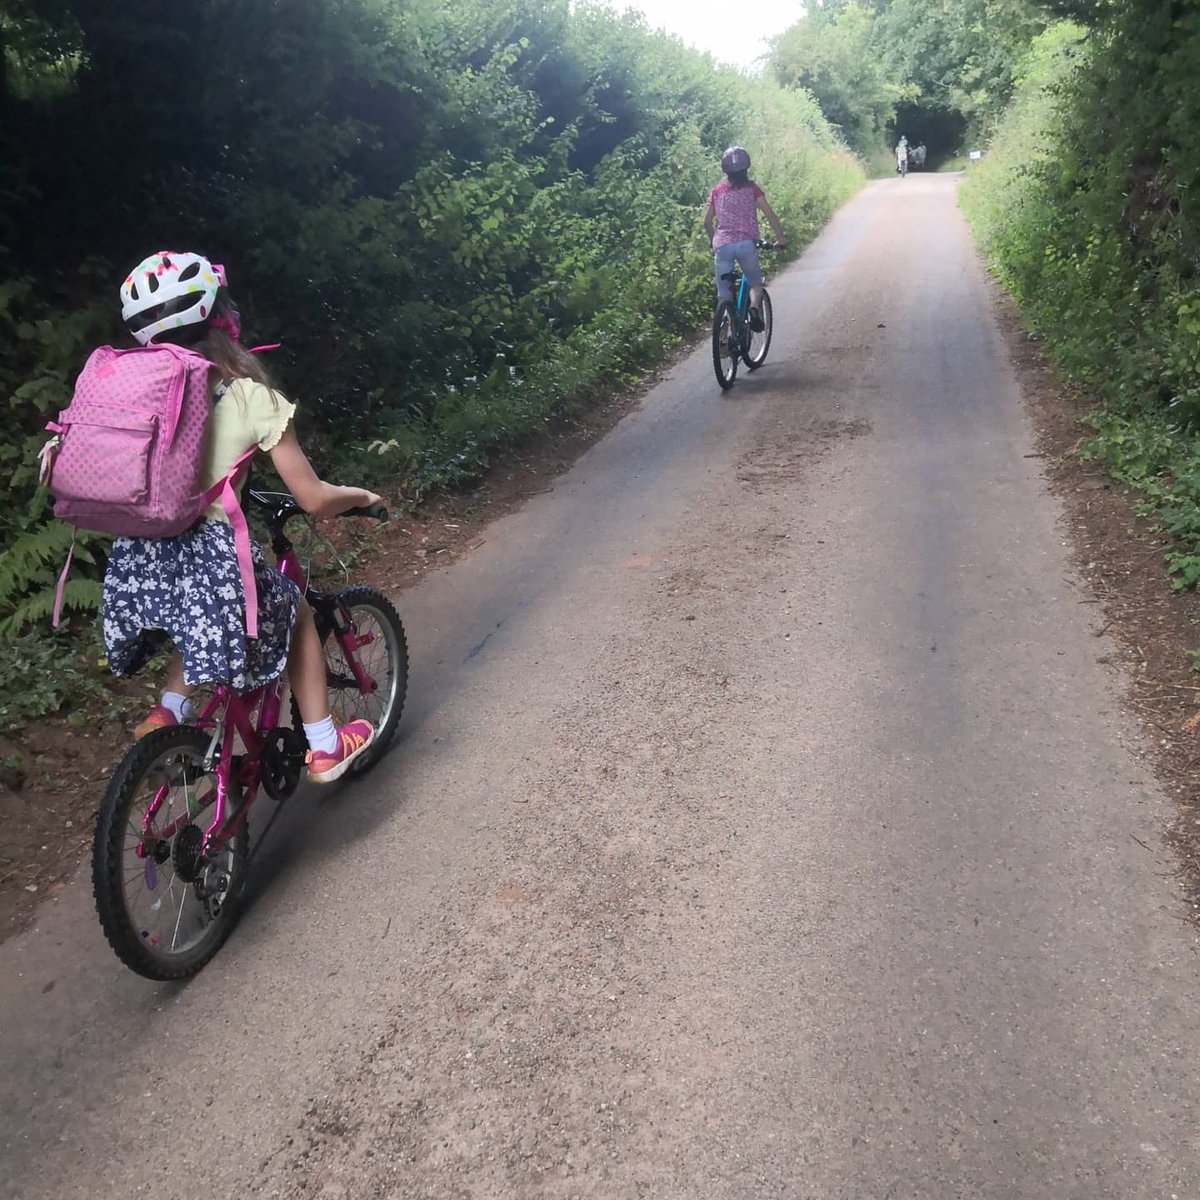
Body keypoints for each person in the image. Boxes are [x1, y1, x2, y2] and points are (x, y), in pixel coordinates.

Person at [102, 250, 382, 783]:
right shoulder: (250, 397)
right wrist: (361, 496)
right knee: (296, 612)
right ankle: (324, 746)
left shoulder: (128, 402)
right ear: (222, 320)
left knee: (192, 616)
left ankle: (168, 712)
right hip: (210, 556)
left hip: (138, 559)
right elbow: (314, 497)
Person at [703, 146, 785, 332]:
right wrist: (780, 239)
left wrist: (712, 241)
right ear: (746, 167)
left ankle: (723, 338)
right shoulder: (751, 189)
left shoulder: (718, 191)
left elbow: (707, 222)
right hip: (746, 244)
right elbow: (770, 215)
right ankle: (755, 309)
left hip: (722, 246)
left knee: (724, 296)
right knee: (755, 282)